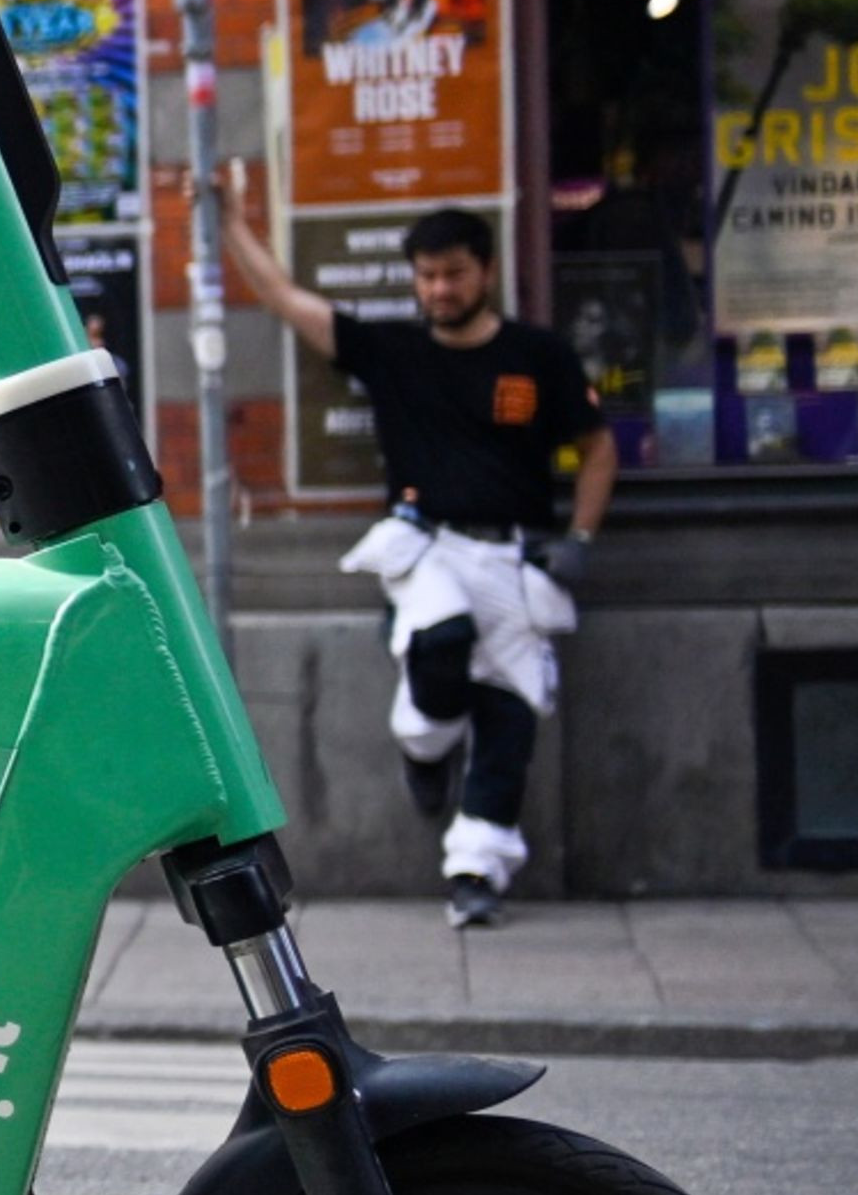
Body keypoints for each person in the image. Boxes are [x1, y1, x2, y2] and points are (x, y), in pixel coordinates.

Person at [222, 169, 613, 926]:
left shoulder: (539, 355)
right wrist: (232, 221)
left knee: (508, 721)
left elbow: (598, 449)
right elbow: (284, 299)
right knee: (440, 639)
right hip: (425, 547)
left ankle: (476, 873)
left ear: (486, 271)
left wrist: (581, 540)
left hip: (517, 559)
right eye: (426, 276)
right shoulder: (391, 350)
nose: (438, 289)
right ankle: (426, 748)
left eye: (453, 274)